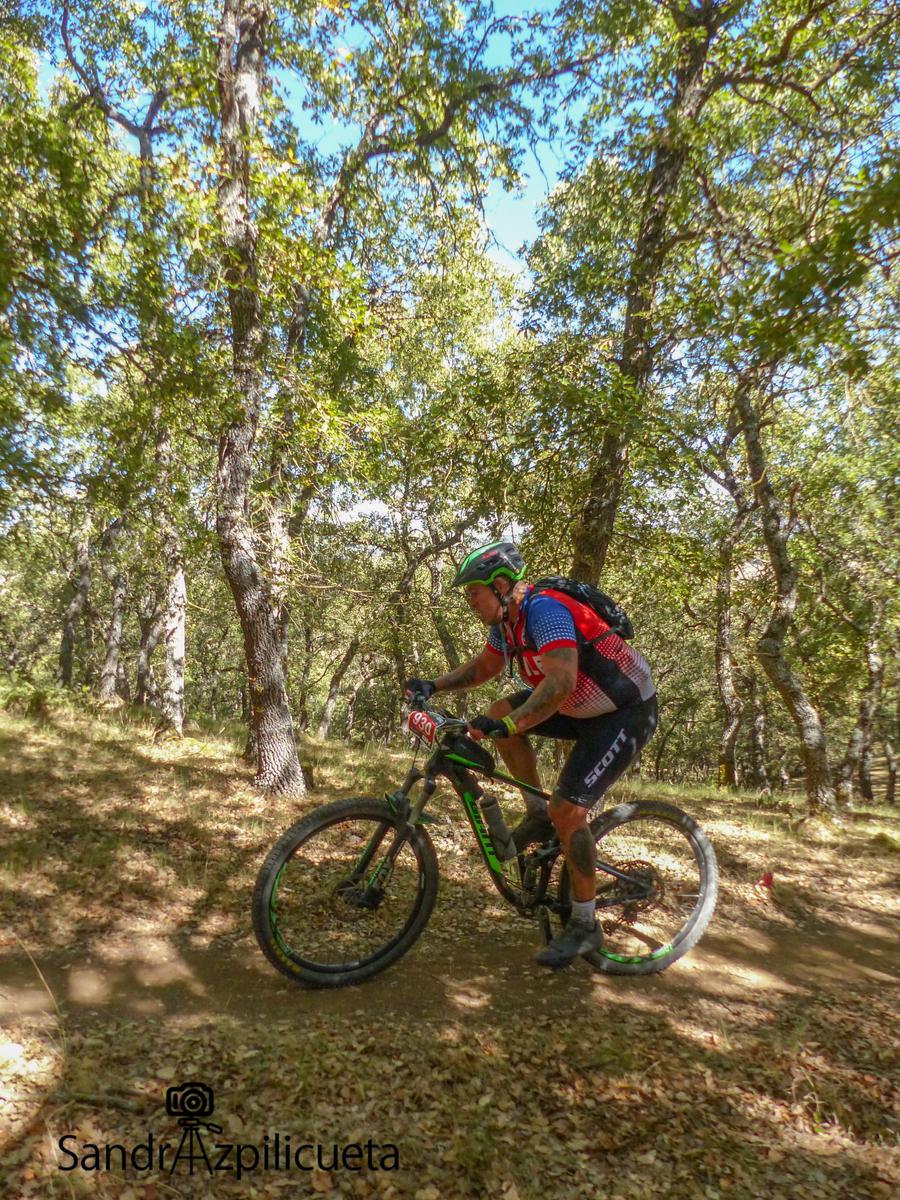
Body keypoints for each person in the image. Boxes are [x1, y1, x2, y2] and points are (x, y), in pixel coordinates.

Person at [404, 541, 658, 969]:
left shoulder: (545, 612)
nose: (469, 600)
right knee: (500, 713)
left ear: (501, 585)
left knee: (569, 809)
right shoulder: (507, 623)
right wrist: (434, 685)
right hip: (580, 705)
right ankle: (537, 813)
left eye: (474, 592)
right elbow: (485, 668)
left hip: (622, 712)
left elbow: (559, 681)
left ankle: (584, 923)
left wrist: (512, 723)